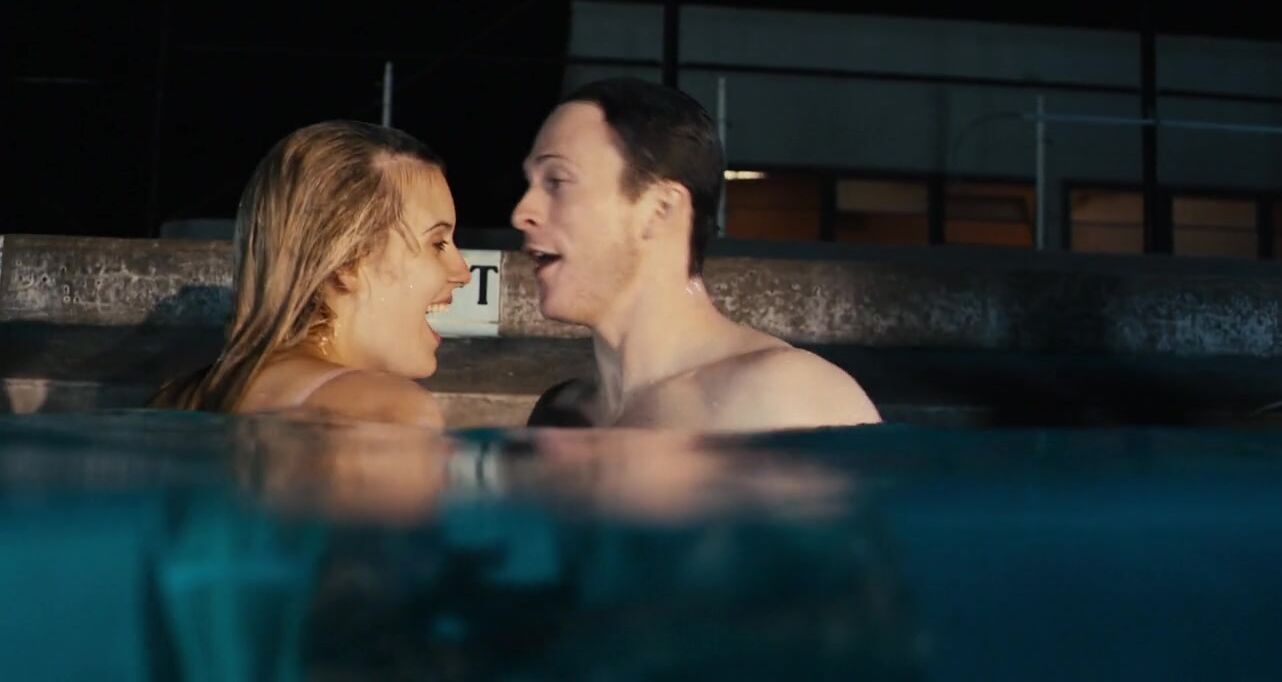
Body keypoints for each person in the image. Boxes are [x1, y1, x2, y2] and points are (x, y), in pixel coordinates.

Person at [513, 78, 880, 430]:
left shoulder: (785, 397)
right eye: (531, 184)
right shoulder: (561, 414)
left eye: (557, 181)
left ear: (660, 209)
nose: (521, 213)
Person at [152, 120, 471, 427]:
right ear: (347, 262)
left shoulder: (177, 398)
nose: (463, 272)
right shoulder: (388, 409)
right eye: (438, 243)